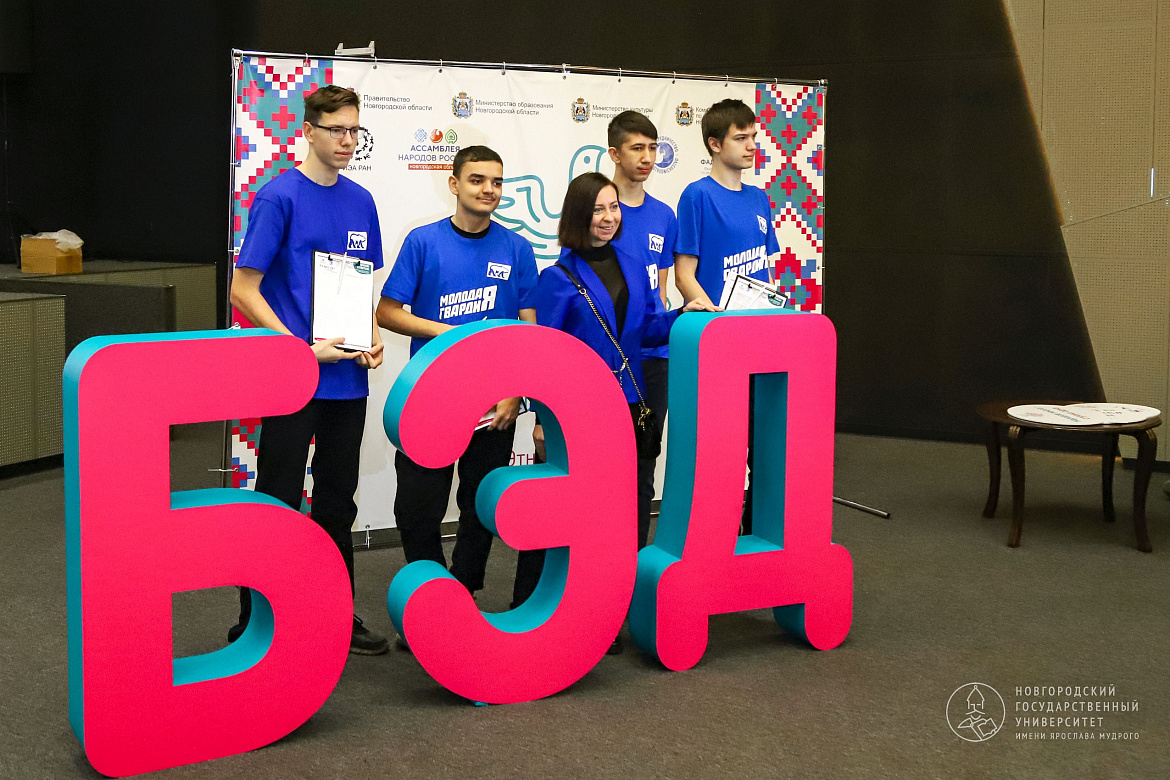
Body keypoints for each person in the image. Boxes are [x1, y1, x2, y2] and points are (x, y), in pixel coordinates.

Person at [230, 85, 389, 655]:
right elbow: (243, 289)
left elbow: (361, 284)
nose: (347, 141)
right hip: (294, 379)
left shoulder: (362, 201)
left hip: (347, 381)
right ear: (308, 131)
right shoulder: (279, 197)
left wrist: (371, 336)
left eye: (354, 131)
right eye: (336, 130)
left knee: (337, 502)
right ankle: (256, 622)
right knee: (277, 499)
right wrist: (299, 348)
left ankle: (335, 614)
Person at [533, 172, 715, 652]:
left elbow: (646, 329)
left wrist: (682, 316)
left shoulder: (635, 265)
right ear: (578, 215)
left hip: (632, 404)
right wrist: (541, 420)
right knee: (587, 512)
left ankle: (621, 601)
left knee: (630, 505)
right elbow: (545, 358)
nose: (609, 217)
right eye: (598, 209)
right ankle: (580, 607)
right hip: (581, 413)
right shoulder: (555, 279)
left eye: (614, 207)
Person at [377, 145, 540, 624]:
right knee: (417, 506)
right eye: (477, 180)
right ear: (454, 184)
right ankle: (429, 593)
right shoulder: (423, 242)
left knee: (480, 503)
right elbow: (387, 313)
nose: (488, 190)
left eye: (496, 182)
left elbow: (527, 331)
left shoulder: (517, 248)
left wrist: (516, 392)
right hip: (431, 395)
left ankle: (463, 592)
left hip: (495, 402)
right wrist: (450, 333)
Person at [674, 98, 782, 535]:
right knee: (720, 453)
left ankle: (755, 539)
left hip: (759, 343)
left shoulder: (759, 198)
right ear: (715, 144)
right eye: (741, 138)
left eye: (754, 136)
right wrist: (715, 322)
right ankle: (714, 541)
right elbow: (684, 274)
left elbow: (766, 272)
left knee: (766, 449)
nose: (752, 145)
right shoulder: (697, 195)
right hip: (719, 345)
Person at [606, 111, 678, 550]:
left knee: (643, 462)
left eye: (652, 148)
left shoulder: (665, 215)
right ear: (615, 154)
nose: (648, 157)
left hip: (652, 359)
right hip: (608, 357)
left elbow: (661, 288)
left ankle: (632, 562)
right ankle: (600, 561)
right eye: (637, 148)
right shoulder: (600, 209)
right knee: (602, 463)